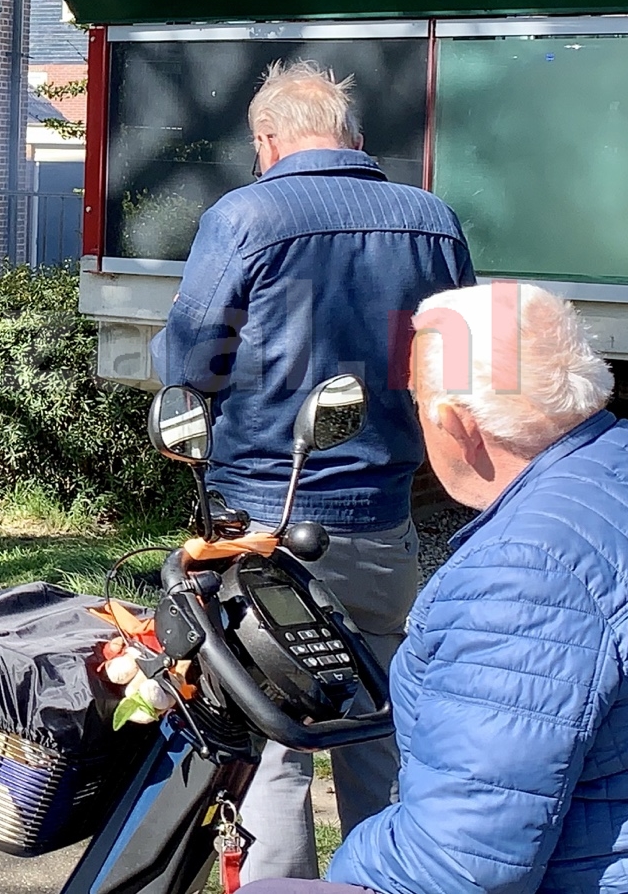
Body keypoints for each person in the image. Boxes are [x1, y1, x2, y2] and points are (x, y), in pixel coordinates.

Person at [243, 282, 628, 894]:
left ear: (456, 423)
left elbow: (458, 866)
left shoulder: (522, 575)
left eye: (417, 402)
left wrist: (345, 868)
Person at [151, 60, 473, 881]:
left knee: (274, 742)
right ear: (353, 139)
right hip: (385, 518)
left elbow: (187, 358)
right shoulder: (433, 220)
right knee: (377, 726)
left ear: (266, 141)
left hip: (263, 518)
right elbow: (457, 360)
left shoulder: (245, 215)